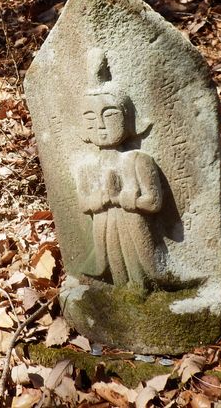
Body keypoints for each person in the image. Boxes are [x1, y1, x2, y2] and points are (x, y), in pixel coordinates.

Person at [73, 49, 163, 289]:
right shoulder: (86, 167)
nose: (101, 125)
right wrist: (100, 199)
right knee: (112, 261)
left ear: (128, 119)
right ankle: (121, 287)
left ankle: (142, 286)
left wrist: (129, 200)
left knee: (139, 263)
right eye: (90, 118)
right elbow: (83, 204)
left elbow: (154, 202)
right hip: (103, 225)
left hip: (133, 223)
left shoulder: (138, 160)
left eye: (110, 115)